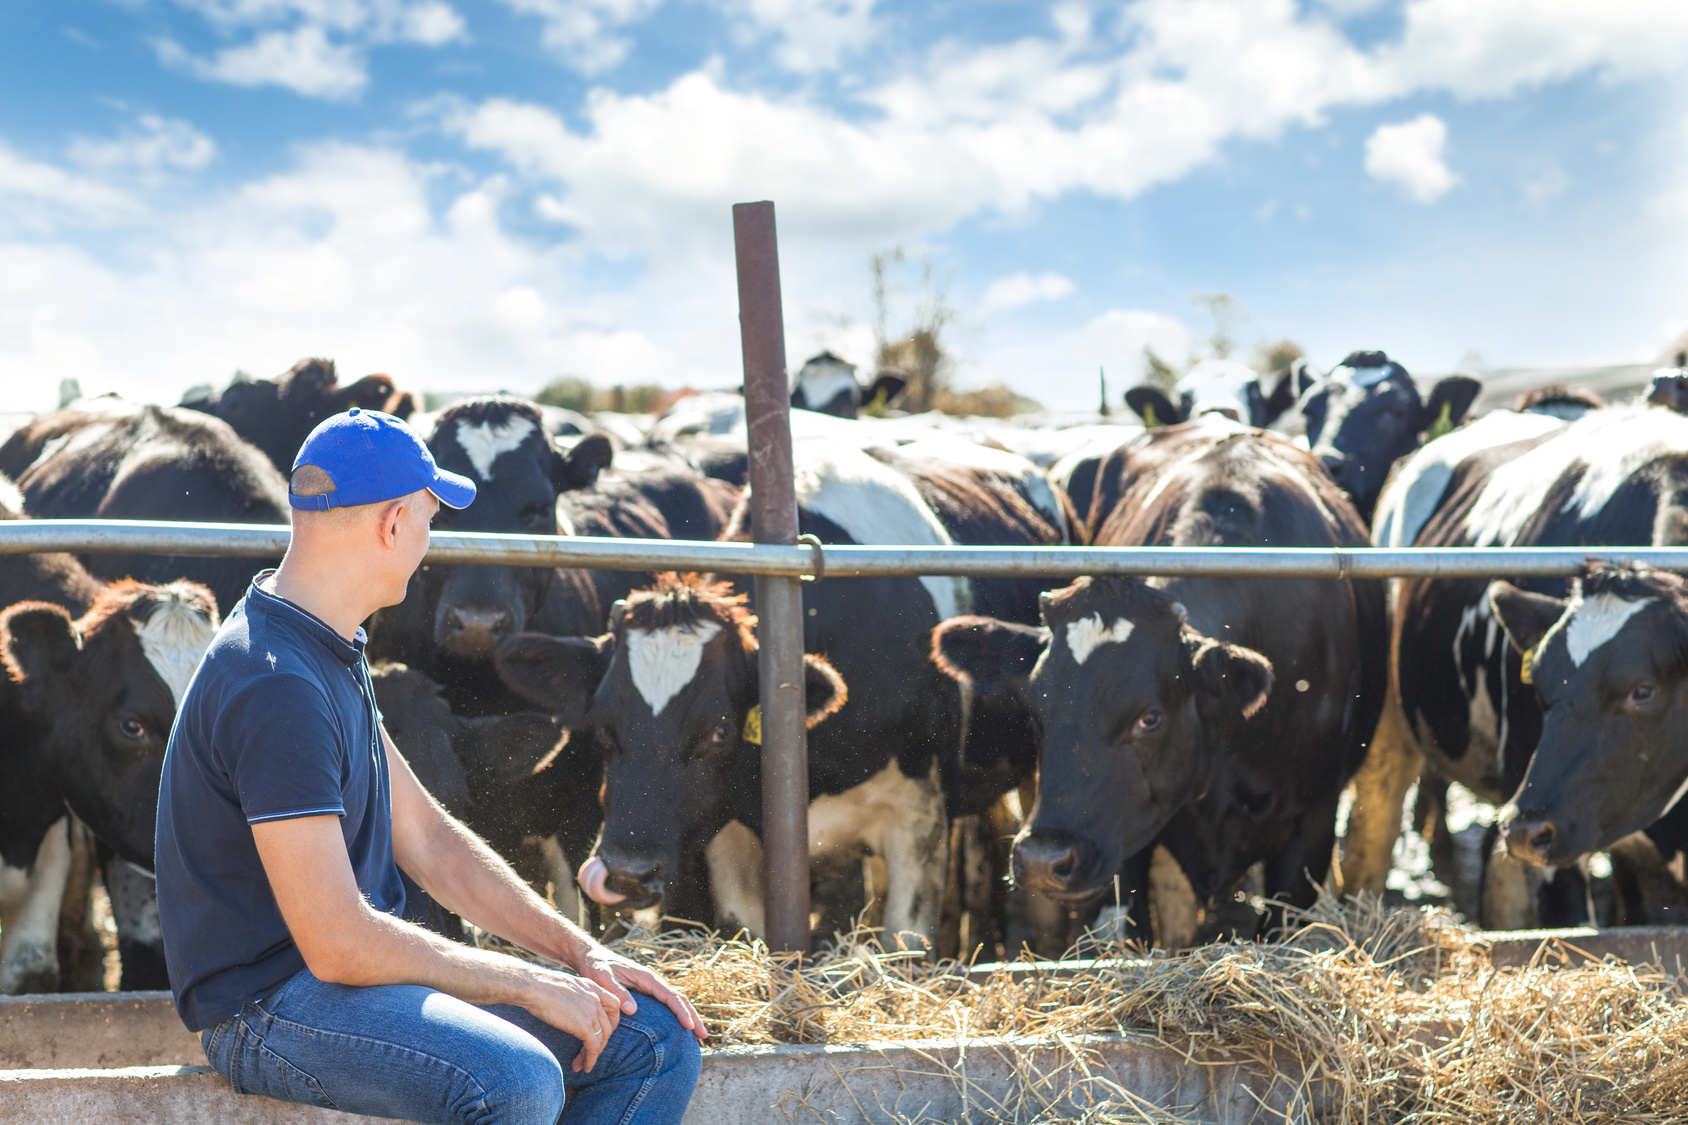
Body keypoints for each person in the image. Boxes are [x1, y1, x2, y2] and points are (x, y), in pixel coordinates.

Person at [155, 408, 704, 1125]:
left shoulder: (325, 640)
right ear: (391, 524)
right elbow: (338, 941)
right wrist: (527, 984)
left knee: (653, 1040)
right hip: (271, 1006)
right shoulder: (275, 683)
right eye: (428, 519)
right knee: (514, 1078)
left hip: (348, 981)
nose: (428, 542)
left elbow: (426, 835)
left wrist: (579, 954)